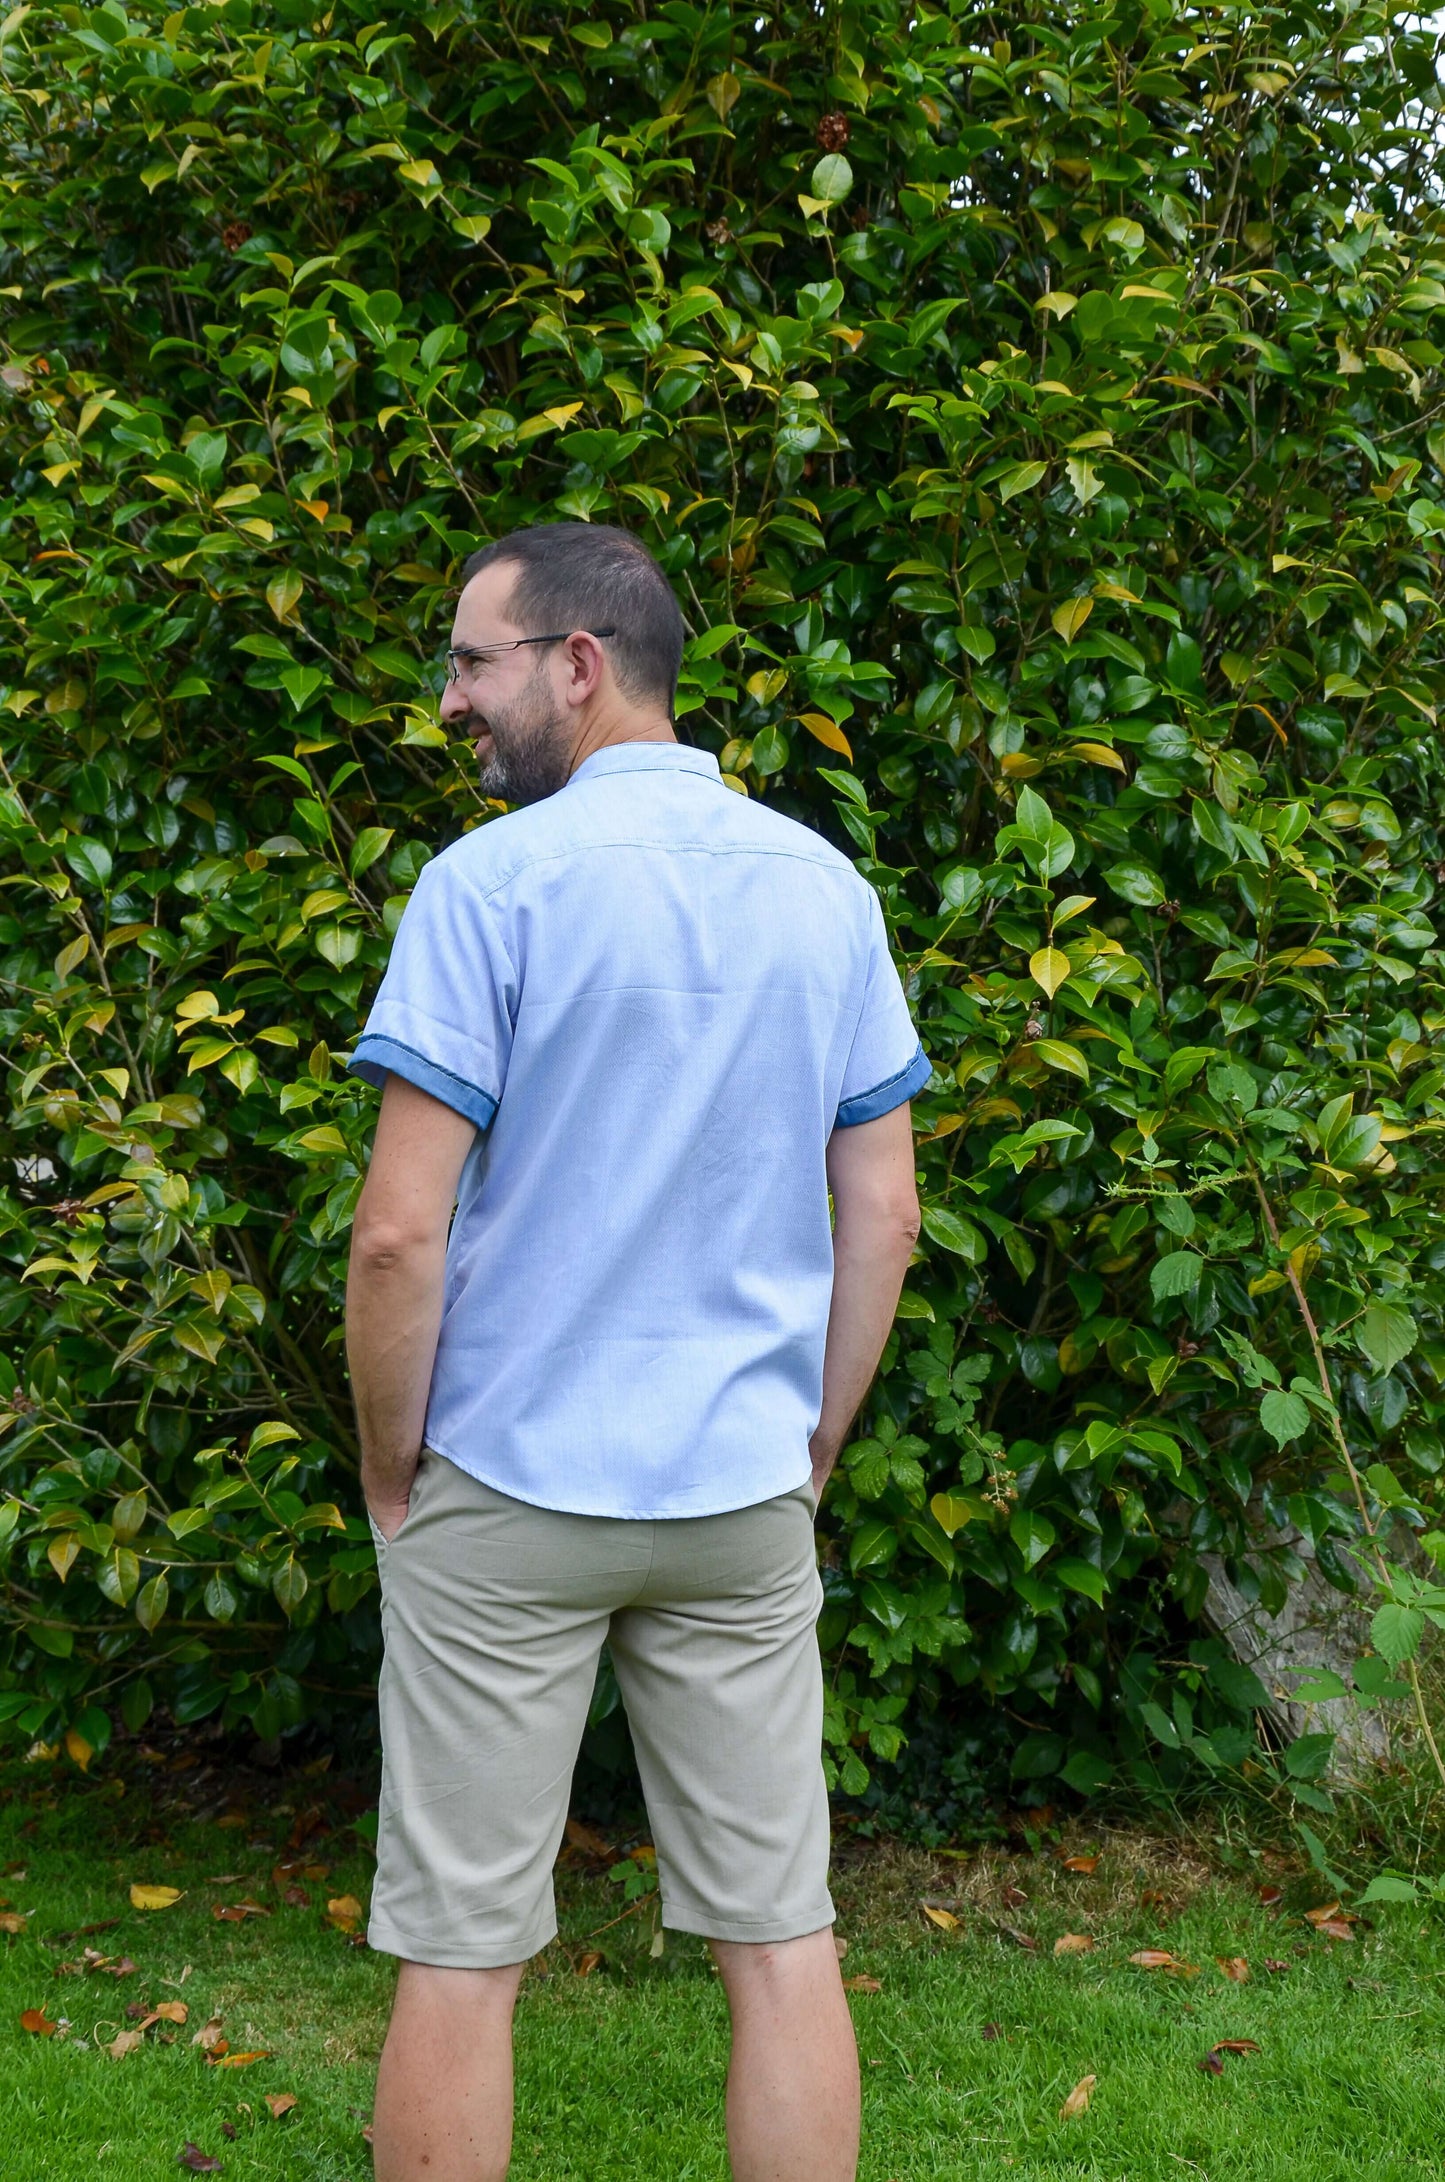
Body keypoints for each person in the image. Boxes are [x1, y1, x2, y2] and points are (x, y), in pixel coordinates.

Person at [344, 522, 930, 2182]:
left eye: (471, 661)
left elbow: (397, 1232)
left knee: (462, 1950)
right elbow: (879, 1214)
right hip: (737, 1488)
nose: (450, 698)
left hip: (508, 1482)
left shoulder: (489, 888)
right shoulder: (826, 889)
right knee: (779, 1936)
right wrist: (807, 1444)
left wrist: (394, 1467)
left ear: (578, 664)